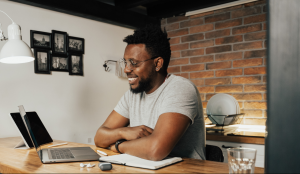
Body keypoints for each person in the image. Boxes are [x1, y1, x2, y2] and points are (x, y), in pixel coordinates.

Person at [94, 24, 205, 161]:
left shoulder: (180, 89)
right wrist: (124, 131)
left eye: (134, 63)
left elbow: (155, 150)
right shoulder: (132, 95)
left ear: (158, 64)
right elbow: (99, 137)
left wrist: (118, 145)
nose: (126, 70)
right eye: (126, 62)